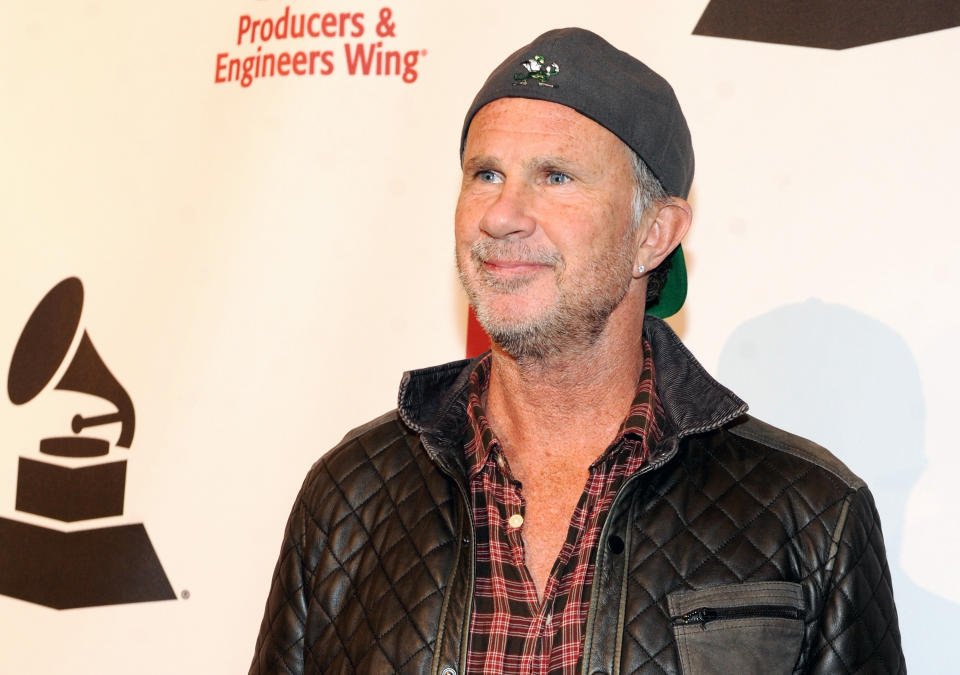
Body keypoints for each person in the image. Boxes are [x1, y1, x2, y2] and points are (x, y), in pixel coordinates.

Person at [249, 28, 904, 674]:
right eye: (486, 173)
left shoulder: (811, 515)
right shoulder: (348, 497)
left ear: (654, 233)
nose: (502, 215)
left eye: (555, 176)